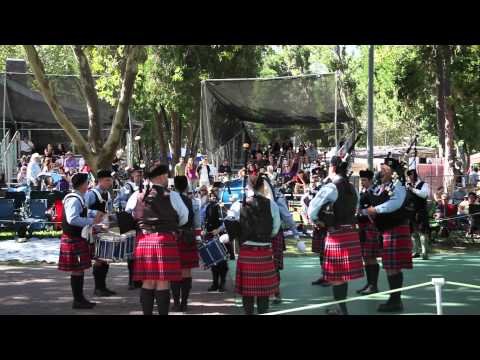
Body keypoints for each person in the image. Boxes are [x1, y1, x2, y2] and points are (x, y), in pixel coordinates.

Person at [128, 164, 188, 315]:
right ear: (161, 177)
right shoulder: (172, 195)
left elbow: (129, 214)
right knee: (162, 282)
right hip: (164, 240)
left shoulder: (138, 195)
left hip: (144, 239)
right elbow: (184, 217)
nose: (167, 179)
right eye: (166, 176)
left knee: (147, 281)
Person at [307, 156, 363, 315]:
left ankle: (341, 309)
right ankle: (341, 307)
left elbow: (311, 209)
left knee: (337, 276)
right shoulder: (353, 188)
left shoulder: (331, 188)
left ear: (332, 168)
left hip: (336, 234)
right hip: (351, 233)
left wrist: (317, 221)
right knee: (342, 276)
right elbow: (356, 208)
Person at [366, 157, 412, 312]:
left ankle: (395, 301)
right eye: (381, 167)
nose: (381, 170)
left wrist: (376, 210)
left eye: (385, 168)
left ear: (392, 171)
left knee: (394, 266)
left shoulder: (397, 185)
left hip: (396, 228)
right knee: (390, 266)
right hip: (388, 229)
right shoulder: (383, 185)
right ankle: (394, 299)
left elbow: (396, 203)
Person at [235, 174, 281, 315]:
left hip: (246, 252)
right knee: (263, 292)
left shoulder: (239, 204)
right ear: (263, 186)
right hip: (264, 250)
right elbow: (275, 228)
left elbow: (232, 225)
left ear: (248, 186)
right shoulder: (272, 204)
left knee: (247, 292)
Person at [58, 172, 105, 309]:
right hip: (72, 239)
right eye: (87, 183)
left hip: (76, 238)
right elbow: (72, 218)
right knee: (77, 270)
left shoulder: (79, 197)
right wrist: (91, 221)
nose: (88, 185)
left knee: (79, 270)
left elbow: (82, 212)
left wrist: (95, 214)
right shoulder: (74, 199)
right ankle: (78, 301)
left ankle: (80, 299)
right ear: (82, 184)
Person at [170, 176, 201, 312]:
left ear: (175, 186)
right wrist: (198, 237)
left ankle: (176, 303)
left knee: (174, 270)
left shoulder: (170, 200)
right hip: (188, 237)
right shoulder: (193, 202)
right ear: (186, 186)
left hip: (173, 236)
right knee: (186, 271)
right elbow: (197, 223)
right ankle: (184, 302)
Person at [84, 169, 116, 297]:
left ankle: (103, 287)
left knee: (106, 257)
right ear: (100, 180)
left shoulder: (107, 194)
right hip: (94, 229)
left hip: (105, 228)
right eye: (107, 180)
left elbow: (109, 210)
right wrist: (96, 214)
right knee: (99, 258)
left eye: (111, 180)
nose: (110, 182)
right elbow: (84, 209)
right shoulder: (91, 194)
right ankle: (98, 288)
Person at [356, 169, 382, 295]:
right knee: (366, 258)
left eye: (365, 180)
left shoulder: (376, 192)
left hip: (371, 227)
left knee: (371, 258)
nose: (362, 182)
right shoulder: (364, 192)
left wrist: (362, 213)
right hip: (363, 227)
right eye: (361, 180)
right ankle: (369, 283)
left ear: (371, 180)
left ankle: (373, 286)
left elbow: (375, 210)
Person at [203, 185, 230, 292]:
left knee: (222, 262)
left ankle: (222, 283)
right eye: (210, 193)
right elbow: (205, 219)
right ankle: (215, 283)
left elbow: (228, 218)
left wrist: (219, 229)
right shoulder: (208, 205)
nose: (212, 194)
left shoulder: (221, 205)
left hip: (220, 234)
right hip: (210, 234)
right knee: (213, 261)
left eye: (214, 192)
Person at [406, 169, 431, 260]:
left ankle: (424, 252)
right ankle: (415, 251)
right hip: (410, 212)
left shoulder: (424, 184)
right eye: (408, 175)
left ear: (415, 175)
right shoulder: (407, 186)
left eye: (411, 175)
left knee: (422, 232)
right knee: (413, 233)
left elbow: (424, 195)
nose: (410, 177)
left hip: (421, 211)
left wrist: (412, 189)